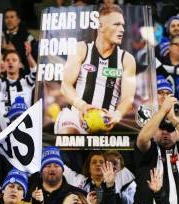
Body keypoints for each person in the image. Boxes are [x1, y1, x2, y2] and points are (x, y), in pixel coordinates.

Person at [55, 4, 136, 135]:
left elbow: (128, 98)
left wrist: (117, 114)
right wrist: (82, 106)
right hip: (75, 115)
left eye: (123, 25)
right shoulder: (81, 49)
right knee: (68, 133)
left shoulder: (127, 59)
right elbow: (65, 86)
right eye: (116, 24)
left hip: (105, 121)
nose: (121, 29)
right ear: (101, 26)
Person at [0, 47, 37, 119]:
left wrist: (28, 55)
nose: (10, 62)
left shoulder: (27, 81)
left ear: (20, 65)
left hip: (24, 124)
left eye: (14, 60)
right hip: (4, 126)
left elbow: (35, 72)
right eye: (7, 60)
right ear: (4, 64)